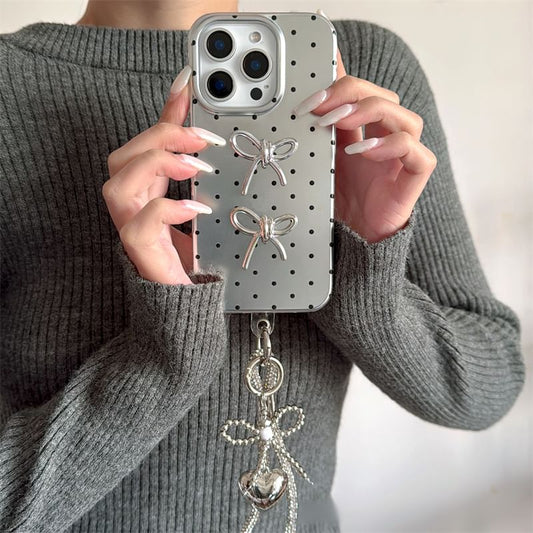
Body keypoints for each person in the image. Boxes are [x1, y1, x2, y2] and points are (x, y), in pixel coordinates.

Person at [0, 1, 525, 532]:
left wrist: (360, 267)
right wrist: (166, 355)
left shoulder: (355, 73)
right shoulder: (10, 84)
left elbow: (484, 386)